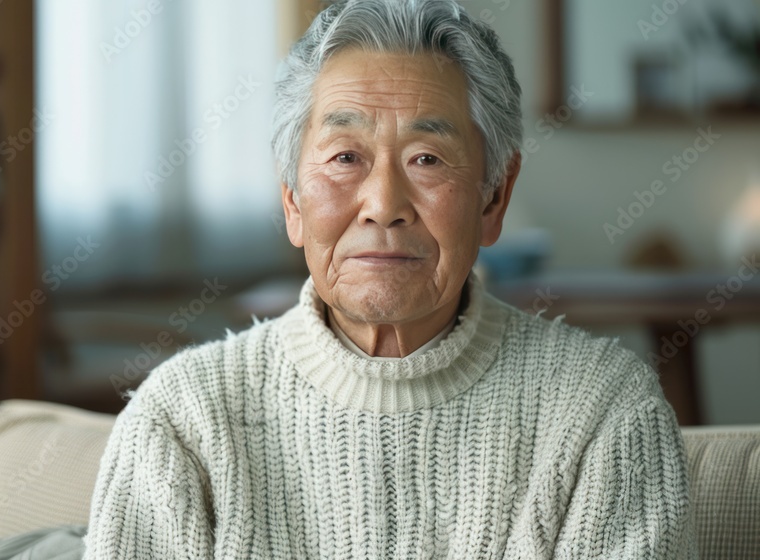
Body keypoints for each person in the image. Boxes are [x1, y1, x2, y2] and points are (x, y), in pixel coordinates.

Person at [83, 0, 698, 557]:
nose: (383, 203)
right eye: (345, 157)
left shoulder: (604, 413)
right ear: (292, 201)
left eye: (426, 159)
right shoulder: (184, 419)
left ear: (494, 198)